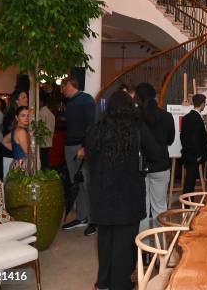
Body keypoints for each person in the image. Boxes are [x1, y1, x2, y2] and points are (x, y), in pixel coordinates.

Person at [86, 91, 162, 290]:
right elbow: (156, 153)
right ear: (131, 107)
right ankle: (120, 284)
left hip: (102, 194)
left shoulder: (97, 129)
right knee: (125, 244)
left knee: (105, 243)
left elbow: (91, 160)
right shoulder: (136, 128)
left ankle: (103, 283)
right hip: (128, 195)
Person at [135, 83, 175, 232]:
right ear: (155, 96)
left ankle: (144, 249)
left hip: (140, 167)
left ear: (138, 98)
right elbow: (170, 140)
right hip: (161, 164)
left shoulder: (134, 116)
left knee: (142, 209)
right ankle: (161, 245)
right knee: (160, 207)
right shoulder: (167, 116)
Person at [61, 76, 97, 236]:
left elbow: (92, 125)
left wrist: (85, 147)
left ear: (69, 85)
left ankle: (94, 220)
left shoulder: (86, 100)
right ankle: (82, 217)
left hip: (80, 148)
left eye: (63, 87)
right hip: (69, 146)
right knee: (76, 183)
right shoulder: (71, 102)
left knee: (87, 183)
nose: (62, 91)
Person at [180, 94, 207, 194]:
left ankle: (188, 202)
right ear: (202, 104)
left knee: (189, 179)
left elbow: (182, 136)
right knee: (190, 180)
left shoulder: (186, 118)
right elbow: (196, 139)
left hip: (187, 153)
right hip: (194, 155)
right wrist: (198, 155)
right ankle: (188, 203)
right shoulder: (197, 119)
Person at [1, 106, 30, 175]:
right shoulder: (21, 131)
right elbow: (28, 152)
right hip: (22, 166)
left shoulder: (16, 130)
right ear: (17, 118)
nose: (26, 118)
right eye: (23, 116)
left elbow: (4, 141)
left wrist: (16, 150)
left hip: (17, 163)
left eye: (28, 116)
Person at [38, 90, 55, 170]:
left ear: (41, 102)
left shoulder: (41, 112)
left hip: (42, 142)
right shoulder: (50, 113)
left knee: (42, 162)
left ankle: (44, 177)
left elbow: (39, 128)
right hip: (49, 141)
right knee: (45, 161)